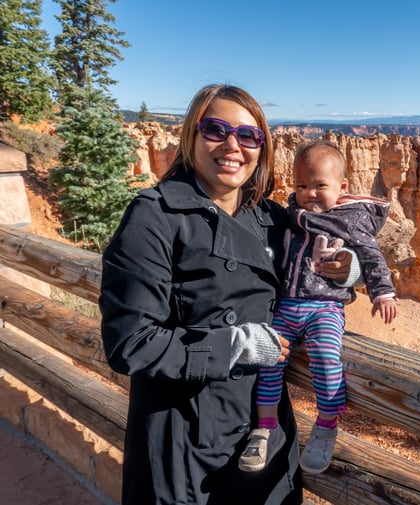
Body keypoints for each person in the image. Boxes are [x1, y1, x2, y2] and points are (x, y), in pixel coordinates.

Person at [99, 84, 357, 505]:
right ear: (191, 137)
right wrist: (236, 345)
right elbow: (130, 343)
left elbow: (324, 268)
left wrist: (350, 271)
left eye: (249, 136)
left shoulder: (273, 218)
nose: (233, 146)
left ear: (263, 147)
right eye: (216, 130)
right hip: (183, 439)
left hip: (264, 425)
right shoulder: (154, 216)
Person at [238, 140, 397, 475]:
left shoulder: (351, 221)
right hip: (286, 306)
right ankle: (264, 426)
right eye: (302, 185)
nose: (309, 193)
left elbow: (372, 257)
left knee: (325, 357)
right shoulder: (291, 216)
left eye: (320, 185)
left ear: (343, 188)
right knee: (269, 356)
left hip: (324, 308)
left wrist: (382, 293)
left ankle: (326, 424)